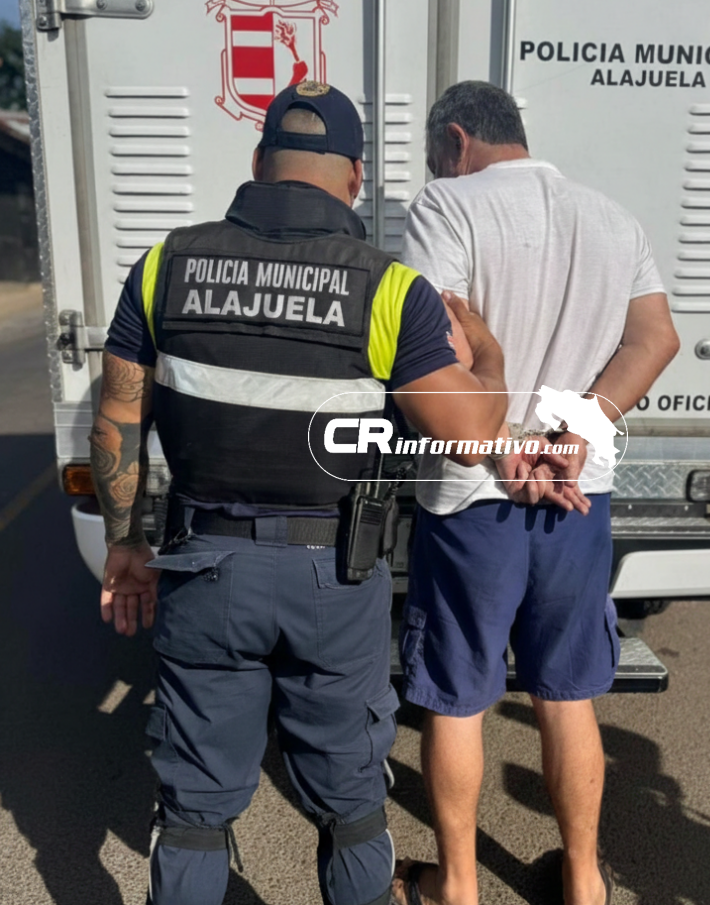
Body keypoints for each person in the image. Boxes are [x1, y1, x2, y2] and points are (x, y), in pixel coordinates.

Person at [89, 81, 507, 905]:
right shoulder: (388, 289)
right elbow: (472, 433)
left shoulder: (165, 266)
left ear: (259, 162)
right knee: (352, 810)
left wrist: (125, 544)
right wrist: (486, 350)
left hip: (202, 567)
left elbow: (118, 418)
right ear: (355, 177)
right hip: (334, 582)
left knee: (194, 812)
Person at [394, 80, 681, 905]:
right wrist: (577, 431)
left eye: (433, 153)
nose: (433, 168)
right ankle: (585, 883)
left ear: (456, 140)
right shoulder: (612, 218)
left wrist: (505, 445)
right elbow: (655, 338)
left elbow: (434, 341)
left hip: (474, 494)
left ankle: (456, 886)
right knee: (568, 693)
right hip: (575, 498)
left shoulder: (446, 207)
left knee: (458, 697)